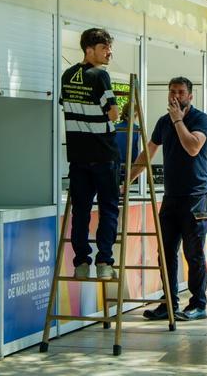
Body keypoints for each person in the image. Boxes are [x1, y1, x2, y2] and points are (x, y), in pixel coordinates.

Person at [126, 77, 207, 322]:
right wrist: (127, 181)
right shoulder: (163, 122)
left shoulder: (200, 119)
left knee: (193, 252)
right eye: (172, 91)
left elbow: (193, 147)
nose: (175, 96)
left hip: (196, 195)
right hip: (172, 195)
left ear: (190, 96)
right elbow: (148, 151)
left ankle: (198, 304)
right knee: (165, 252)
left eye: (181, 92)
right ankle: (169, 304)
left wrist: (178, 120)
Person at [61, 28, 120, 281]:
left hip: (77, 156)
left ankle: (81, 262)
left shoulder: (67, 75)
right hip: (104, 155)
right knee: (108, 209)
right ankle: (104, 262)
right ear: (89, 49)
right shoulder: (100, 76)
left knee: (81, 211)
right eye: (104, 47)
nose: (109, 52)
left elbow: (66, 105)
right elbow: (114, 114)